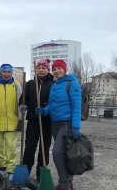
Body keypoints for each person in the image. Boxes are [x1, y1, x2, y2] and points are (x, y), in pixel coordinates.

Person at [35, 59, 81, 190]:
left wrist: (76, 126)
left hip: (67, 124)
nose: (56, 71)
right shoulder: (54, 86)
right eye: (54, 69)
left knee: (57, 153)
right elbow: (51, 105)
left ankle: (64, 184)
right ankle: (69, 182)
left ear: (65, 69)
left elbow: (76, 107)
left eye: (59, 68)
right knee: (65, 154)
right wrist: (44, 111)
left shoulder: (72, 85)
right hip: (54, 124)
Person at [19, 58, 54, 182]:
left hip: (47, 121)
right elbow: (24, 98)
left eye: (43, 68)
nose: (40, 70)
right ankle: (26, 172)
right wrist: (23, 105)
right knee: (29, 148)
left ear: (47, 69)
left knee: (44, 149)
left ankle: (40, 173)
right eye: (38, 68)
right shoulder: (30, 83)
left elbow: (54, 101)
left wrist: (45, 109)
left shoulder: (52, 83)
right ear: (36, 69)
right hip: (33, 120)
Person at [0, 63, 22, 181]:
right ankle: (1, 168)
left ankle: (11, 170)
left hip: (11, 121)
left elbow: (20, 103)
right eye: (4, 72)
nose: (6, 74)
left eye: (9, 72)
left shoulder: (16, 85)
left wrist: (19, 119)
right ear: (1, 72)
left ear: (11, 73)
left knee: (11, 147)